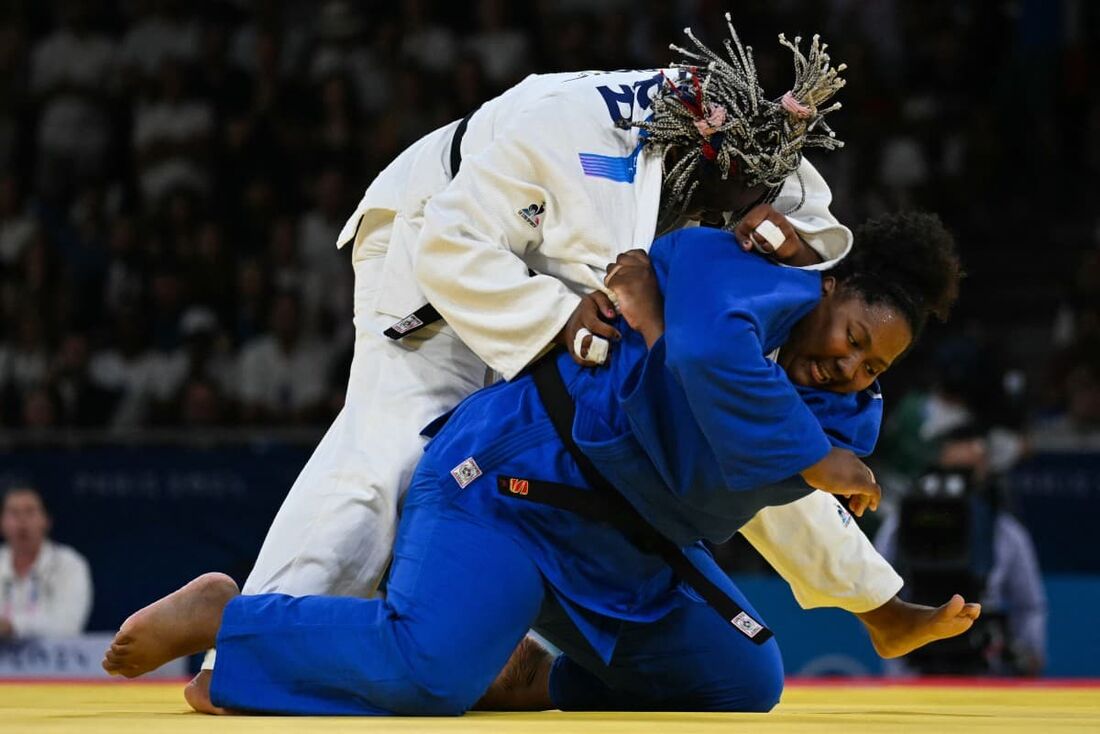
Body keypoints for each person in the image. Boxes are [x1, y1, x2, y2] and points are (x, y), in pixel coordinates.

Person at [230, 19, 934, 679]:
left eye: (759, 218)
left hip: (581, 269)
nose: (747, 234)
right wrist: (560, 317)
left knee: (714, 422)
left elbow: (752, 429)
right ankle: (234, 643)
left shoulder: (772, 180)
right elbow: (450, 244)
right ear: (699, 167)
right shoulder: (574, 137)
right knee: (391, 452)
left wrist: (872, 598)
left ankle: (491, 648)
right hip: (439, 232)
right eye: (737, 215)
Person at [104, 213, 978, 715]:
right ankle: (235, 619)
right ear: (827, 287)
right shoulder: (737, 269)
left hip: (635, 548)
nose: (851, 371)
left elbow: (732, 443)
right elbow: (711, 368)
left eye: (876, 368)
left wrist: (656, 325)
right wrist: (804, 446)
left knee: (742, 680)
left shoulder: (843, 419)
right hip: (518, 486)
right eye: (852, 339)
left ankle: (531, 674)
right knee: (431, 672)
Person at [1, 486, 93, 640]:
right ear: (2, 522)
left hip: (54, 662)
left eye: (30, 512)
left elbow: (67, 625)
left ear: (46, 520)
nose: (22, 521)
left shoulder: (69, 564)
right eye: (14, 513)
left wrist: (13, 626)